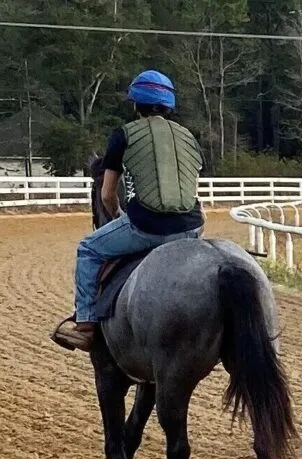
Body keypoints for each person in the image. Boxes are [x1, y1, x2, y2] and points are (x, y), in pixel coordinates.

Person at [51, 70, 206, 353]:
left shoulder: (123, 135)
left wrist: (120, 215)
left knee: (88, 248)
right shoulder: (189, 138)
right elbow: (192, 191)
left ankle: (85, 326)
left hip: (146, 226)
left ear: (136, 103)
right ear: (169, 104)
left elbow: (108, 194)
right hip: (190, 228)